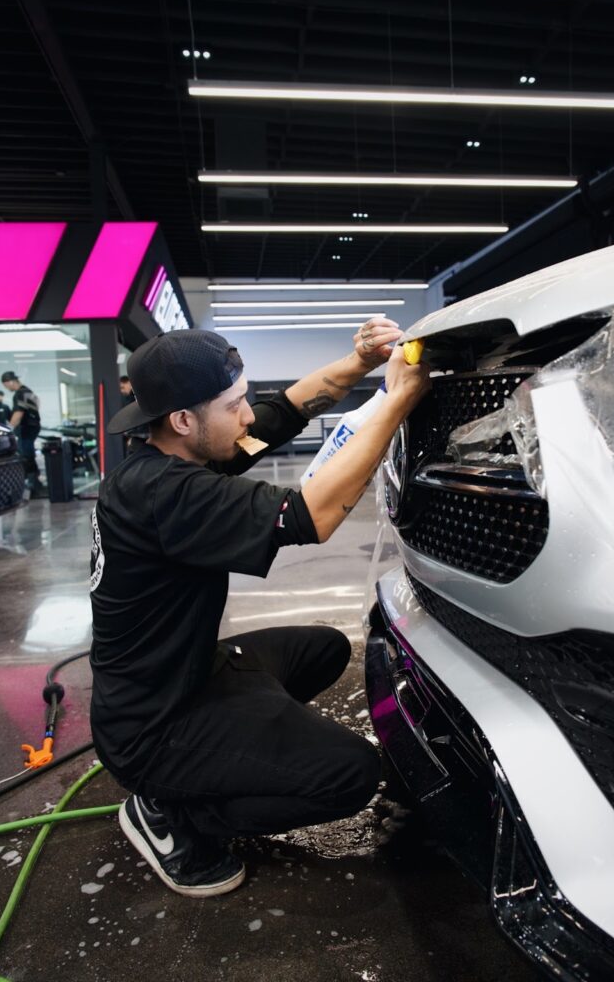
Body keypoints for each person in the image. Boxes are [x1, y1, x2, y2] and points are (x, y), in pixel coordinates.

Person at [90, 322, 430, 899]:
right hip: (153, 727)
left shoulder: (174, 457)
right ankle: (176, 816)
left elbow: (283, 412)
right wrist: (398, 400)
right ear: (183, 420)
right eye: (234, 405)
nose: (247, 415)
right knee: (352, 774)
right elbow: (312, 516)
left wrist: (360, 362)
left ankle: (235, 752)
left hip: (190, 674)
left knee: (325, 648)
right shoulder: (166, 493)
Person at [0, 371, 42, 493]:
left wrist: (8, 430)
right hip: (33, 426)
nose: (6, 388)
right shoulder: (28, 391)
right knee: (29, 453)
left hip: (26, 428)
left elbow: (18, 413)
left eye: (5, 385)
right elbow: (37, 405)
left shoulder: (19, 394)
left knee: (26, 455)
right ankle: (35, 482)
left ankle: (32, 484)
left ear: (10, 382)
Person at [119, 374, 148, 454]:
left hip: (143, 435)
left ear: (129, 383)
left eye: (122, 387)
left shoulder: (139, 396)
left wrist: (132, 435)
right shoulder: (128, 399)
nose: (122, 391)